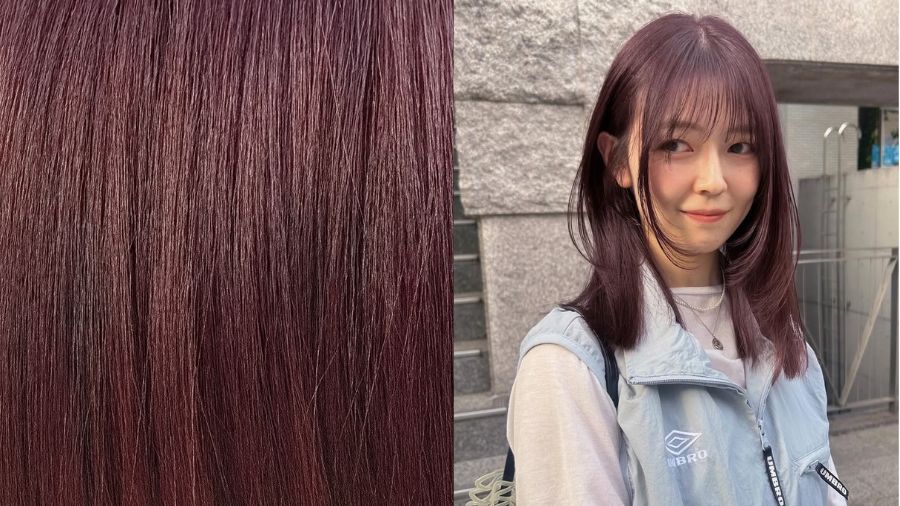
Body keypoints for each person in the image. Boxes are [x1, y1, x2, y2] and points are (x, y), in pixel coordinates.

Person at [506, 13, 849, 505]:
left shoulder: (784, 341)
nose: (713, 180)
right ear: (618, 159)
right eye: (675, 144)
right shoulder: (570, 366)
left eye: (739, 146)